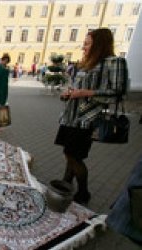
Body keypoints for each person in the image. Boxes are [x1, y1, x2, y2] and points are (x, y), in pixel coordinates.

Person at [56, 28, 128, 204]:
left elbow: (118, 92)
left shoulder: (114, 62)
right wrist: (68, 93)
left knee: (73, 155)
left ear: (99, 44)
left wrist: (83, 93)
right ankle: (66, 184)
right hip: (71, 116)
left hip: (87, 118)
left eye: (87, 43)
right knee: (70, 154)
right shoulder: (87, 63)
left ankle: (83, 193)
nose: (83, 47)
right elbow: (75, 87)